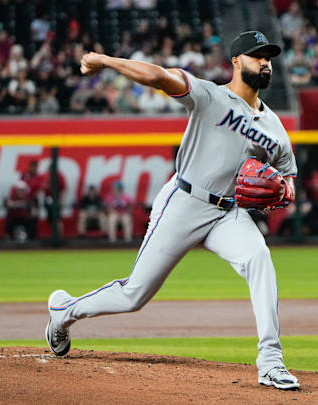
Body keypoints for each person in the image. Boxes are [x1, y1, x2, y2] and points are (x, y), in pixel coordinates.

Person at [46, 30, 300, 390]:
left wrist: (283, 189)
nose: (265, 62)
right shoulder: (210, 96)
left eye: (269, 57)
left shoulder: (274, 127)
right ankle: (64, 312)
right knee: (135, 294)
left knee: (259, 258)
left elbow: (289, 177)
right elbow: (157, 75)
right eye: (257, 55)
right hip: (184, 202)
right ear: (235, 62)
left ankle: (271, 362)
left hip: (227, 213)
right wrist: (104, 61)